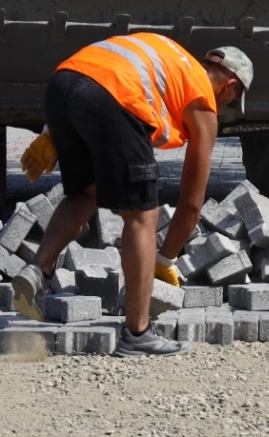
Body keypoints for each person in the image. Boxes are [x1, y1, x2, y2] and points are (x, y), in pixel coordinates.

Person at [19, 34, 254, 357]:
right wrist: (164, 259)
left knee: (86, 193)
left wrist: (52, 132)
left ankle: (38, 271)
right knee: (143, 215)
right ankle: (137, 333)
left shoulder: (171, 56)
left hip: (62, 86)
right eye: (230, 101)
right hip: (111, 99)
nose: (224, 107)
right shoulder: (202, 102)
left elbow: (101, 71)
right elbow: (191, 204)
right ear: (228, 86)